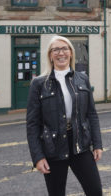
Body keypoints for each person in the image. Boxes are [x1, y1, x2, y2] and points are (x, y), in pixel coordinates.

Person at [27, 35, 104, 195]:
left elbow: (91, 114)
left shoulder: (82, 79)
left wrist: (97, 144)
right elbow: (33, 124)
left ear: (71, 52)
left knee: (95, 191)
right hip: (53, 148)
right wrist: (37, 157)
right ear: (50, 55)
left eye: (64, 48)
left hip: (80, 144)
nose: (60, 53)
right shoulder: (39, 84)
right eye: (56, 49)